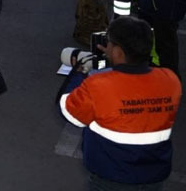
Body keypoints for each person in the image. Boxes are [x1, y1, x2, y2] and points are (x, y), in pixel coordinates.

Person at [60, 16, 181, 191]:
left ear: (118, 52)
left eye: (109, 43)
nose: (106, 47)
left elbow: (69, 111)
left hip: (110, 179)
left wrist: (80, 73)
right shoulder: (170, 80)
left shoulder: (99, 85)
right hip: (154, 177)